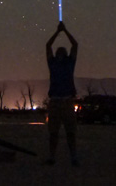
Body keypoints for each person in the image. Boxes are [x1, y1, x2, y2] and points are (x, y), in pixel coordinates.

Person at [45, 21, 79, 166]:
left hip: (66, 101)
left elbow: (75, 45)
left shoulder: (69, 64)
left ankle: (73, 158)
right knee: (53, 133)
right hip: (55, 102)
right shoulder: (52, 64)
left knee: (70, 132)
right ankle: (52, 157)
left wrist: (64, 31)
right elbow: (48, 46)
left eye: (61, 52)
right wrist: (59, 32)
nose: (59, 53)